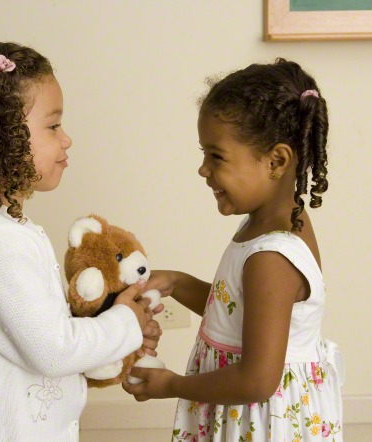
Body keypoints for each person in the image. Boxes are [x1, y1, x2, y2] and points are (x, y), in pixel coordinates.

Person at [0, 41, 161, 442]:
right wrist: (126, 321)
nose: (67, 139)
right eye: (53, 125)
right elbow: (55, 349)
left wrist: (113, 327)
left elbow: (40, 332)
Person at [123, 59, 344, 441]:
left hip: (261, 422)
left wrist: (171, 384)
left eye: (216, 156)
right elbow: (241, 312)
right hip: (249, 414)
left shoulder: (271, 258)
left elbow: (256, 380)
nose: (203, 169)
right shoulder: (273, 222)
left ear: (276, 161)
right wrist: (178, 282)